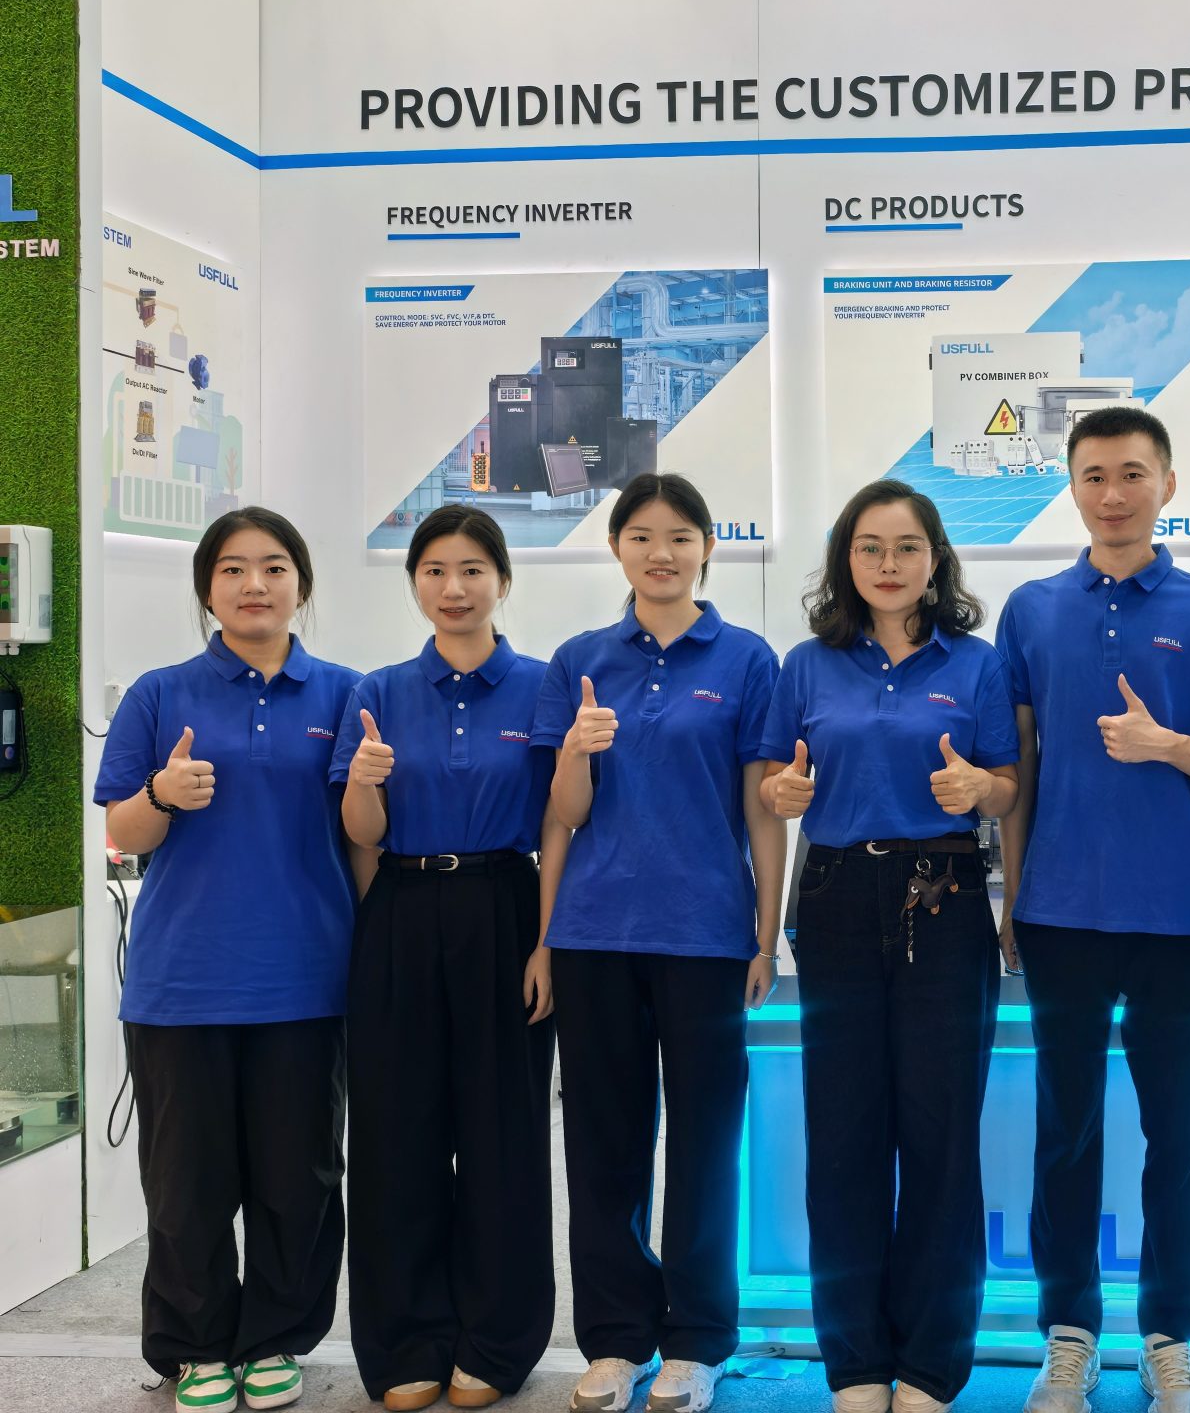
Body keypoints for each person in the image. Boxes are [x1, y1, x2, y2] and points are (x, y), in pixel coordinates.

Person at [996, 406, 1190, 1413]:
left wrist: (1166, 747)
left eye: (1132, 474)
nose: (1113, 493)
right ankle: (1069, 1335)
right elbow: (1018, 769)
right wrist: (1014, 896)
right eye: (1094, 475)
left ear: (1167, 485)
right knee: (1065, 1132)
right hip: (1059, 911)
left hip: (1174, 912)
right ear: (1071, 487)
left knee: (1175, 1134)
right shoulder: (1031, 610)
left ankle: (1168, 1338)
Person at [758, 479, 1019, 1413]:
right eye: (869, 547)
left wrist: (978, 792)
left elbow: (1007, 784)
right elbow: (775, 781)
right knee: (844, 1137)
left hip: (943, 895)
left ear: (935, 559)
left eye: (907, 547)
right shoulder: (807, 664)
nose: (888, 564)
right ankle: (857, 1363)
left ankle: (931, 1364)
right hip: (835, 896)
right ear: (846, 561)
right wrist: (782, 795)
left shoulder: (976, 664)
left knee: (941, 1137)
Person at [95, 508, 359, 1412]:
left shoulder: (344, 694)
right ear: (208, 588)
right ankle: (195, 1346)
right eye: (235, 569)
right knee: (186, 1185)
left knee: (299, 1179)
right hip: (183, 982)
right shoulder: (159, 694)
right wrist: (162, 793)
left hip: (306, 977)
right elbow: (124, 832)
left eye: (274, 566)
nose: (255, 584)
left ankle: (277, 1337)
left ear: (301, 584)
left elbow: (363, 835)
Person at [532, 473, 786, 1413]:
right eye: (641, 535)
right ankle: (614, 1339)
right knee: (604, 1141)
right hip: (596, 934)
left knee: (707, 1143)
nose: (661, 552)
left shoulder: (748, 659)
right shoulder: (580, 660)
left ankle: (697, 1341)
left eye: (680, 536)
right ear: (617, 549)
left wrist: (766, 935)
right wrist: (576, 751)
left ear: (707, 547)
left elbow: (764, 810)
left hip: (706, 935)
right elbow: (562, 817)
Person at [330, 505, 559, 1411]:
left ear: (502, 579)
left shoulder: (543, 686)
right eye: (433, 571)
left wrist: (547, 942)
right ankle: (403, 1342)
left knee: (503, 1133)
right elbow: (362, 833)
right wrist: (363, 782)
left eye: (471, 570)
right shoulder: (378, 690)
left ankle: (497, 1340)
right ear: (414, 583)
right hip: (401, 905)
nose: (453, 588)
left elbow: (562, 822)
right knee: (396, 1135)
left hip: (505, 903)